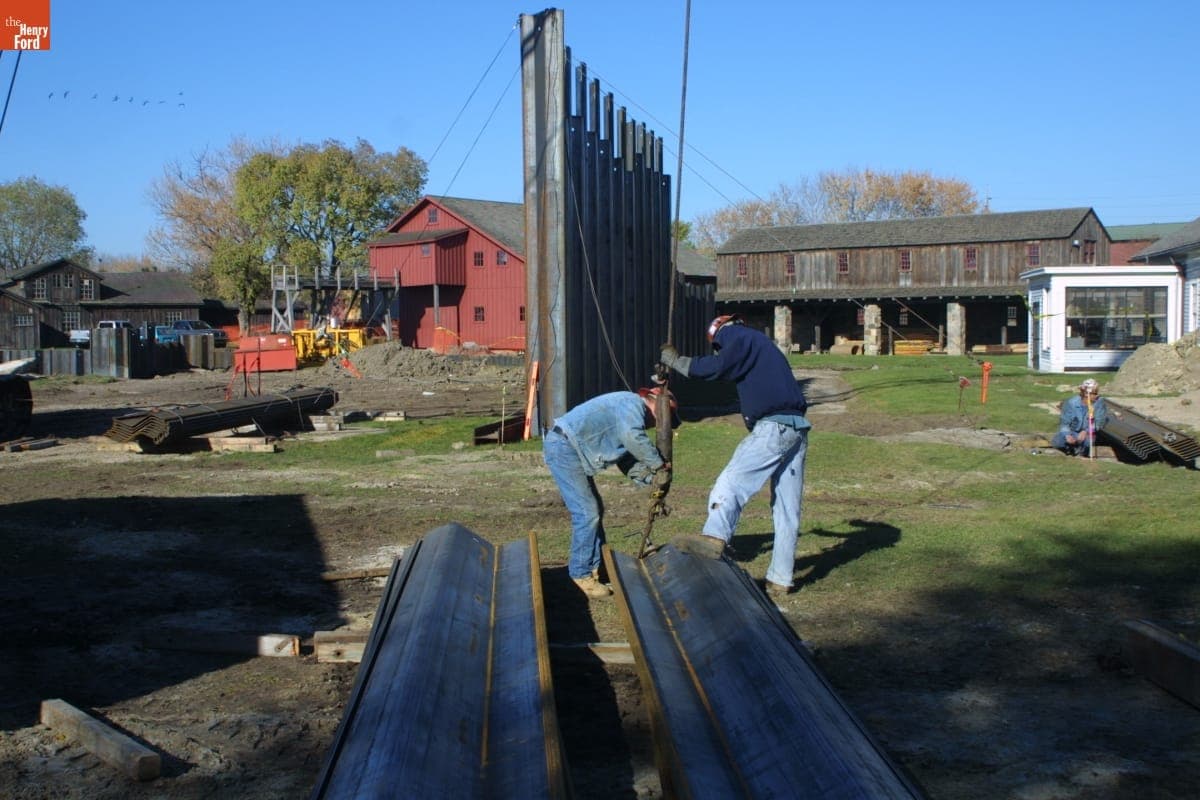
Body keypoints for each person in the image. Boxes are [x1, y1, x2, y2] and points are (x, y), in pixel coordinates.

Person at [659, 315, 810, 597]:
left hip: (773, 428)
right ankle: (781, 578)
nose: (719, 349)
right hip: (796, 429)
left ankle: (715, 537)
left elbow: (718, 367)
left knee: (730, 483)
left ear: (719, 332)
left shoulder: (737, 336)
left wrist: (677, 361)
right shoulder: (761, 348)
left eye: (717, 344)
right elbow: (725, 373)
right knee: (787, 511)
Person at [543, 387, 676, 598]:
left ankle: (596, 566)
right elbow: (632, 437)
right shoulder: (633, 404)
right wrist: (659, 466)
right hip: (564, 447)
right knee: (587, 512)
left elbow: (626, 459)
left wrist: (652, 482)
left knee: (594, 510)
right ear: (654, 405)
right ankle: (581, 574)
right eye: (663, 418)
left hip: (569, 447)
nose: (657, 425)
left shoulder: (626, 414)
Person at [1051, 378, 1110, 456]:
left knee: (1088, 441)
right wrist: (1067, 435)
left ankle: (1082, 454)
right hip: (1072, 431)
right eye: (1095, 393)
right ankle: (1069, 450)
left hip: (1089, 433)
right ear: (1086, 394)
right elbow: (1064, 423)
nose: (1097, 396)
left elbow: (1099, 423)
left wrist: (1086, 431)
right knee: (1057, 442)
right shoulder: (1071, 403)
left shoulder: (1099, 403)